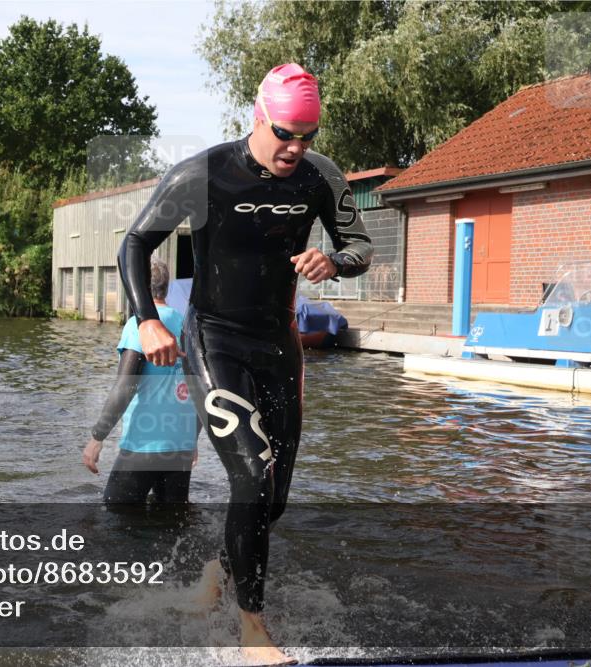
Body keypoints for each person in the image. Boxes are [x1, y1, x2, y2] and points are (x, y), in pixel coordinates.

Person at [118, 63, 373, 664]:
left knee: (273, 498)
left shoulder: (320, 176)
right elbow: (135, 242)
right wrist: (147, 318)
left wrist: (334, 263)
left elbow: (360, 245)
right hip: (215, 340)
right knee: (253, 480)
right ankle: (252, 629)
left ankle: (217, 571)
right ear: (259, 118)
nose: (296, 148)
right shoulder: (203, 173)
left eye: (307, 136)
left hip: (278, 344)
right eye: (285, 133)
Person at [82, 258, 199, 504]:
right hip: (181, 446)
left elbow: (125, 386)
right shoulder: (186, 325)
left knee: (115, 514)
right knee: (170, 521)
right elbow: (198, 388)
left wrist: (97, 437)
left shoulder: (141, 326)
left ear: (137, 287)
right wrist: (193, 439)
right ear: (165, 287)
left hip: (144, 445)